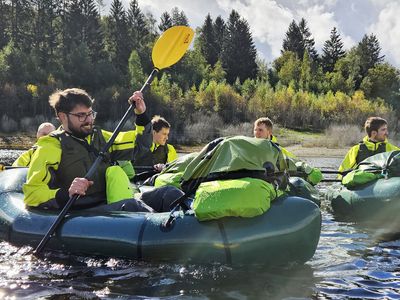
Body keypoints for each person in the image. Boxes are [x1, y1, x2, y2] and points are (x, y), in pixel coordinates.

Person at [22, 88, 183, 212]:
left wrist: (141, 115)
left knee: (169, 193)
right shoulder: (50, 146)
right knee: (131, 207)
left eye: (91, 114)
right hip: (83, 211)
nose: (89, 120)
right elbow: (31, 193)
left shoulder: (101, 137)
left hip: (109, 200)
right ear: (63, 117)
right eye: (81, 115)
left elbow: (140, 146)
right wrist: (65, 193)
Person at [253, 117, 323, 185]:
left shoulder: (276, 149)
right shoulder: (248, 146)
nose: (257, 133)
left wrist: (307, 169)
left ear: (269, 132)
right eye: (255, 130)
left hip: (271, 182)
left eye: (260, 130)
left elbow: (294, 160)